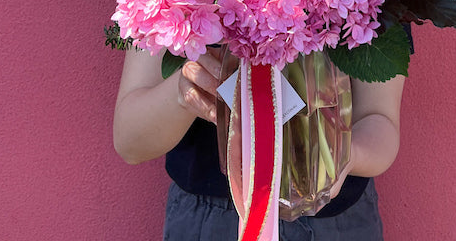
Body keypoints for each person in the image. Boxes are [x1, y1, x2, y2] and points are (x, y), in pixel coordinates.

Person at [114, 45, 405, 240]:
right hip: (211, 220)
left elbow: (380, 120)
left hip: (336, 219)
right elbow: (130, 141)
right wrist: (183, 93)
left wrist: (346, 155)